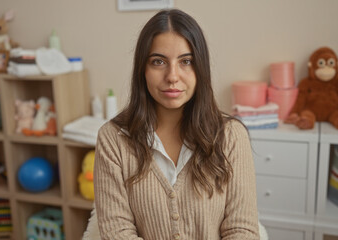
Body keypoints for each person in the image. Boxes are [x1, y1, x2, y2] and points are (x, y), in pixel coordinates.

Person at [94, 9, 259, 240]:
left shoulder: (231, 136)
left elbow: (242, 231)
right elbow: (117, 232)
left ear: (200, 68)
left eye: (186, 61)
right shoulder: (113, 138)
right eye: (158, 61)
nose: (172, 76)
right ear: (143, 69)